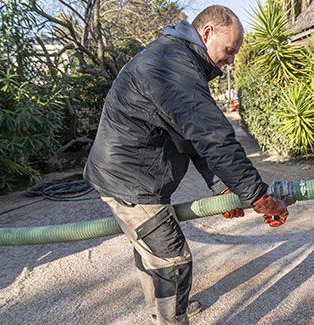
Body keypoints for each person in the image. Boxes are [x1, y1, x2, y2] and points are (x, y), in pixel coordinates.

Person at [83, 5, 289, 325]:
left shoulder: (176, 59)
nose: (230, 61)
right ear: (206, 34)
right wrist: (256, 194)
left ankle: (163, 309)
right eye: (229, 50)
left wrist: (223, 188)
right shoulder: (171, 64)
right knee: (172, 260)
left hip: (129, 174)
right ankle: (171, 318)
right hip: (129, 182)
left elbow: (190, 136)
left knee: (151, 251)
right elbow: (212, 136)